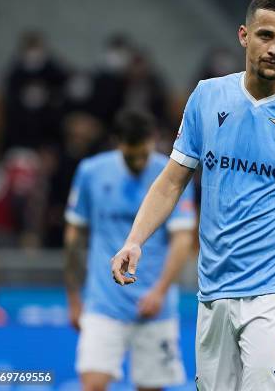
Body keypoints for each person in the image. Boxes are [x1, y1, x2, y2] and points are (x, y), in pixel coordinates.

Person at [111, 0, 275, 391]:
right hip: (213, 291)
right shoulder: (207, 97)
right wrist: (135, 240)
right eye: (265, 36)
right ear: (244, 35)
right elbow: (173, 179)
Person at [65, 109, 196, 391]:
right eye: (130, 154)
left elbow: (183, 239)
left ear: (154, 140)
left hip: (154, 306)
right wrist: (74, 297)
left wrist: (160, 291)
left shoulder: (173, 174)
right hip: (103, 302)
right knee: (92, 384)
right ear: (118, 143)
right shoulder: (91, 172)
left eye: (143, 154)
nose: (138, 161)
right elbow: (75, 235)